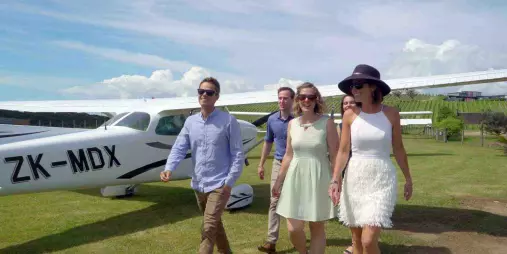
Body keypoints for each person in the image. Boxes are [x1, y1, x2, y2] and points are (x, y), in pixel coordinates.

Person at [329, 64, 413, 254]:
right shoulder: (350, 115)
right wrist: (335, 179)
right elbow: (343, 151)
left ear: (373, 87)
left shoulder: (391, 114)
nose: (353, 90)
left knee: (368, 240)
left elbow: (398, 148)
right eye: (352, 86)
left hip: (381, 178)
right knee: (357, 242)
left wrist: (408, 179)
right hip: (355, 178)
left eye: (358, 85)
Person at [160, 77, 245, 254]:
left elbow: (237, 153)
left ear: (217, 97)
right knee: (215, 225)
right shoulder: (190, 122)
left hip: (219, 183)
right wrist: (169, 168)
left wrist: (229, 182)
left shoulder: (229, 121)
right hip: (199, 184)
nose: (204, 95)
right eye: (201, 92)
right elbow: (179, 147)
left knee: (207, 229)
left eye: (209, 92)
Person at [272, 82, 338, 254]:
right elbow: (288, 155)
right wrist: (279, 180)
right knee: (294, 229)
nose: (306, 100)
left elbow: (335, 155)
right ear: (297, 100)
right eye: (302, 97)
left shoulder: (327, 123)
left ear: (317, 99)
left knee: (317, 228)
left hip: (319, 177)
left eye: (311, 97)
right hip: (295, 177)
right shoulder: (292, 124)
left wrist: (336, 180)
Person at [257, 87, 295, 253]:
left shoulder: (299, 119)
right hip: (278, 163)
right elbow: (268, 142)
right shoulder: (272, 120)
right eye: (279, 98)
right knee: (274, 201)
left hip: (297, 164)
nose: (282, 101)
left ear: (293, 100)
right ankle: (271, 242)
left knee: (296, 201)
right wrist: (261, 163)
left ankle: (297, 234)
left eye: (285, 98)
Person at [336, 94, 359, 254]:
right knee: (351, 205)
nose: (348, 105)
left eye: (351, 102)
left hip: (362, 165)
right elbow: (339, 150)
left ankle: (364, 242)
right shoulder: (339, 125)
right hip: (346, 167)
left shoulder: (363, 121)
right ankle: (355, 243)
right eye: (345, 103)